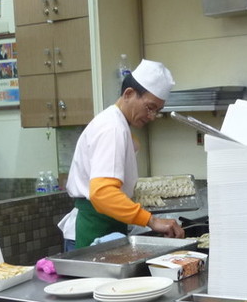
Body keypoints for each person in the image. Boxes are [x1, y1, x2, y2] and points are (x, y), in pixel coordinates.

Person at [59, 59, 186, 249]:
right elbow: (103, 193)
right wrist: (151, 220)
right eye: (150, 107)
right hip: (94, 228)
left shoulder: (117, 124)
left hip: (106, 224)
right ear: (129, 94)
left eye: (157, 111)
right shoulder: (112, 128)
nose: (152, 116)